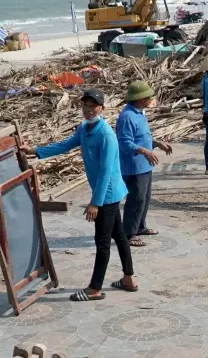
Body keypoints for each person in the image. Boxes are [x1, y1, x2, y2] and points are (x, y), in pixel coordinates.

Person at [23, 89, 137, 301]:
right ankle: (128, 278)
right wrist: (35, 151)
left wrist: (95, 203)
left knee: (102, 242)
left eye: (93, 106)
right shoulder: (85, 129)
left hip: (108, 194)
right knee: (119, 236)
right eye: (85, 105)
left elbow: (105, 172)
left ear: (101, 108)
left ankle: (94, 288)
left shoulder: (106, 135)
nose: (88, 109)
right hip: (105, 193)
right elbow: (66, 145)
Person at [115, 80, 172, 247]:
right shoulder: (126, 117)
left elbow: (141, 138)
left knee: (145, 198)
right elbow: (125, 143)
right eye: (148, 97)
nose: (150, 100)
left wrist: (156, 143)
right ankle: (128, 233)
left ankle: (140, 226)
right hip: (134, 166)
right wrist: (144, 151)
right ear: (140, 98)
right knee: (135, 199)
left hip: (145, 165)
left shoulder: (139, 114)